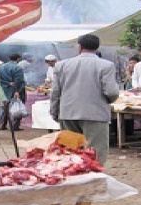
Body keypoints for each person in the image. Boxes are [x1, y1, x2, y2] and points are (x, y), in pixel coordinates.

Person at [50, 34, 119, 165]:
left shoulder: (62, 65)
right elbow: (111, 92)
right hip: (95, 114)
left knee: (70, 151)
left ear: (79, 47)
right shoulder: (106, 65)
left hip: (68, 113)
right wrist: (106, 101)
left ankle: (73, 179)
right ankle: (93, 178)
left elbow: (55, 92)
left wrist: (55, 112)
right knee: (94, 151)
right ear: (97, 47)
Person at [0, 53, 26, 131]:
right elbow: (19, 81)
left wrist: (6, 83)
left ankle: (2, 125)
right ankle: (14, 126)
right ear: (18, 59)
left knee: (5, 108)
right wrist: (18, 91)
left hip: (4, 89)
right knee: (17, 108)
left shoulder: (1, 67)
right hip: (15, 90)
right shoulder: (17, 68)